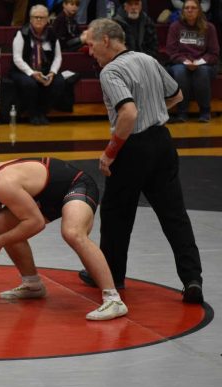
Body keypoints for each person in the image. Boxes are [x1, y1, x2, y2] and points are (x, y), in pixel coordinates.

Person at [0, 144, 129, 321]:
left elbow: (36, 223)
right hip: (46, 196)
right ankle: (32, 285)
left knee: (72, 233)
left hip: (76, 185)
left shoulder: (4, 184)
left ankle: (113, 299)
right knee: (2, 223)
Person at [79, 18, 205, 304]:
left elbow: (128, 114)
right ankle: (192, 279)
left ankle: (112, 274)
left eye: (91, 44)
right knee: (174, 215)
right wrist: (155, 110)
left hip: (133, 147)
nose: (90, 51)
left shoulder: (110, 71)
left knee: (115, 215)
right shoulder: (148, 59)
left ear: (107, 40)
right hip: (162, 142)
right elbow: (177, 95)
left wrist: (109, 152)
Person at [9, 4, 66, 125]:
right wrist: (32, 73)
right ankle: (33, 114)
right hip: (23, 70)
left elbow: (58, 57)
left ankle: (42, 112)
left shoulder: (52, 35)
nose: (39, 20)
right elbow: (17, 58)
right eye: (36, 17)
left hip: (45, 70)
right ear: (30, 19)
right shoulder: (22, 33)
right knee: (30, 84)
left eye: (42, 17)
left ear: (47, 20)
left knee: (59, 82)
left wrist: (52, 72)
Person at [165, 0, 219, 123]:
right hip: (180, 62)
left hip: (204, 63)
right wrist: (185, 61)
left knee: (202, 72)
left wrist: (199, 62)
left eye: (193, 8)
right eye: (187, 8)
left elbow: (214, 54)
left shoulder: (209, 27)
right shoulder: (175, 27)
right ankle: (182, 112)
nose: (190, 10)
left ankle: (205, 111)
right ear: (182, 11)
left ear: (199, 10)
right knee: (180, 72)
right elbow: (171, 51)